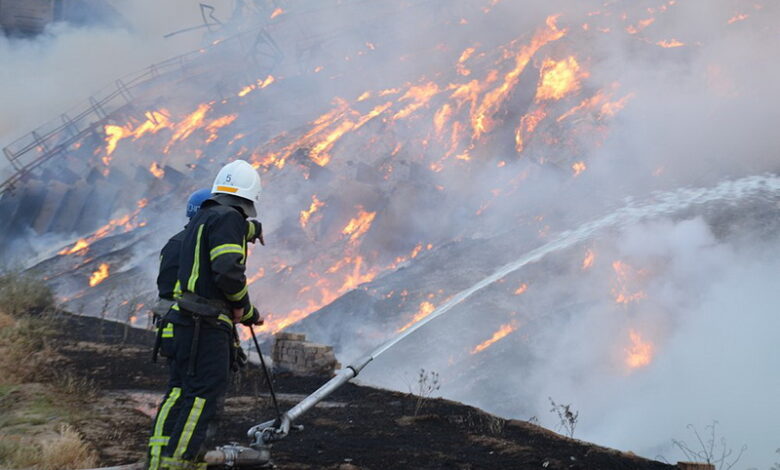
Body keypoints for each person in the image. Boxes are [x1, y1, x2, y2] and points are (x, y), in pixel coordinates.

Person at [149, 160, 265, 470]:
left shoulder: (203, 217)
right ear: (249, 197)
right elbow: (227, 268)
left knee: (181, 392)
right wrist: (245, 307)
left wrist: (251, 229)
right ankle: (181, 461)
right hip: (207, 323)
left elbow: (221, 233)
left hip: (186, 320)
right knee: (203, 395)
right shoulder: (229, 218)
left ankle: (160, 459)